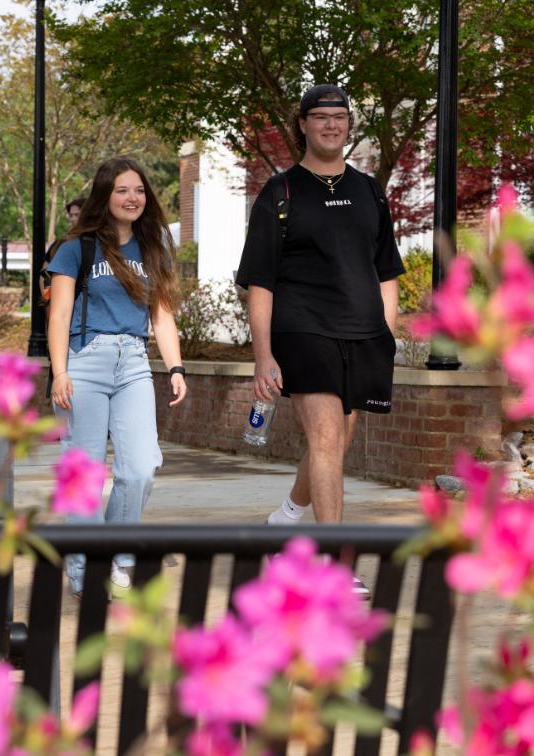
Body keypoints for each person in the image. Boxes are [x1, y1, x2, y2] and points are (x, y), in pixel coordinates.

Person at [235, 85, 405, 596]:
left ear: (349, 125)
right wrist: (263, 355)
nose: (332, 125)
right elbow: (259, 281)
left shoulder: (370, 190)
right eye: (321, 117)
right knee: (327, 440)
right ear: (302, 125)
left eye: (340, 117)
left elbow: (387, 272)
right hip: (302, 326)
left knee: (337, 442)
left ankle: (285, 518)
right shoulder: (280, 192)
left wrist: (388, 338)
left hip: (362, 330)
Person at [47, 156, 187, 596]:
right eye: (123, 190)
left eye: (140, 190)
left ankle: (118, 556)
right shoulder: (77, 249)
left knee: (142, 466)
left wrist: (176, 367)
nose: (133, 198)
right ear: (105, 196)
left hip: (133, 364)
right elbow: (60, 313)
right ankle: (83, 567)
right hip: (84, 361)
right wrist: (58, 372)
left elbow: (162, 315)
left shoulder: (152, 251)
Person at [39, 196, 86, 310]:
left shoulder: (99, 243)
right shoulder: (60, 244)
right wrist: (49, 300)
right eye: (71, 215)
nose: (73, 219)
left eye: (77, 215)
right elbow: (44, 275)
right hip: (61, 310)